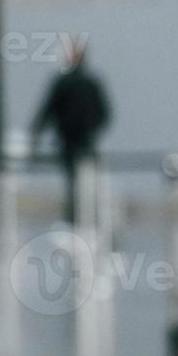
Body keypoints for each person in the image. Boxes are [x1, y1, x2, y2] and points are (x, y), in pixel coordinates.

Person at [30, 42, 111, 224]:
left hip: (69, 141)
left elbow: (47, 111)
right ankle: (88, 217)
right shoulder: (91, 84)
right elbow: (104, 113)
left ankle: (76, 217)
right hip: (86, 141)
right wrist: (92, 128)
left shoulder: (63, 83)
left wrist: (35, 135)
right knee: (87, 179)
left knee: (74, 181)